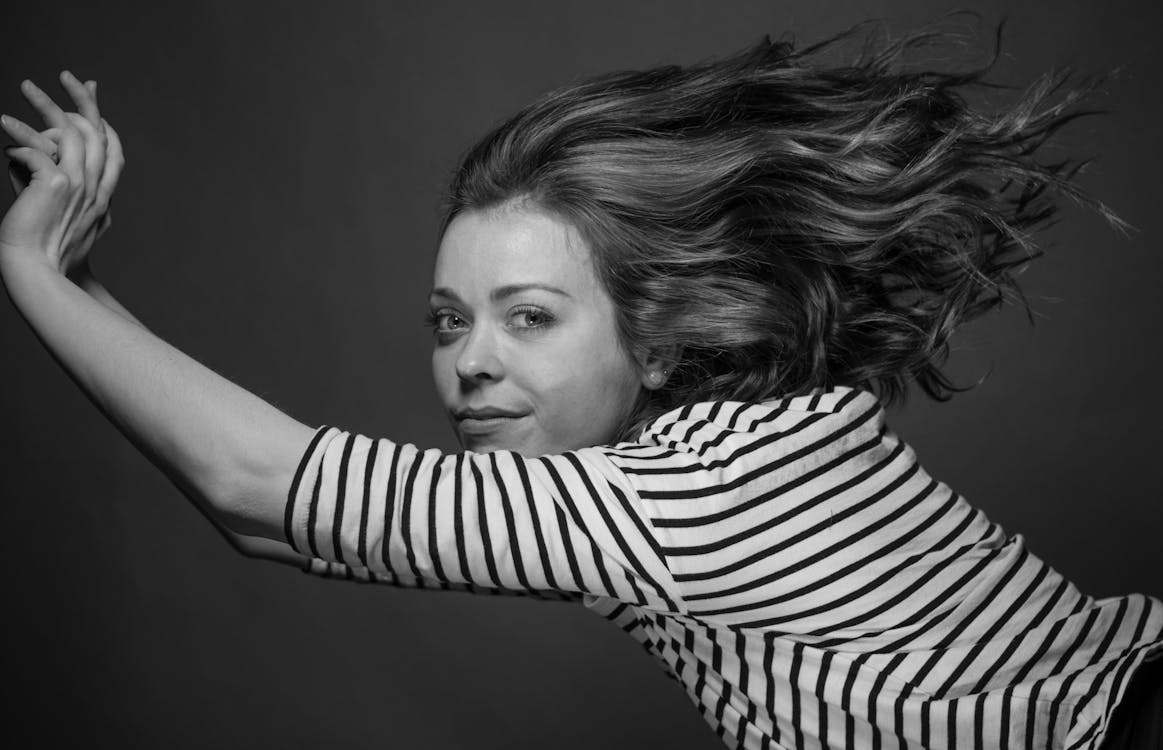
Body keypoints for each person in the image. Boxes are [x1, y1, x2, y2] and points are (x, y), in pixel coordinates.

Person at [1, 21, 1160, 750]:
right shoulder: (755, 436)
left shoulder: (685, 495)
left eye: (531, 318)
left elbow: (258, 485)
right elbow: (276, 527)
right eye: (449, 321)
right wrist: (73, 272)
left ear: (658, 342)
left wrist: (24, 268)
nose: (471, 362)